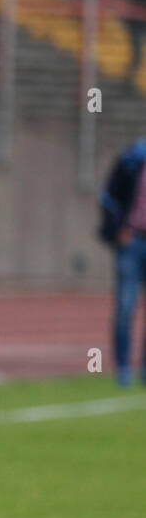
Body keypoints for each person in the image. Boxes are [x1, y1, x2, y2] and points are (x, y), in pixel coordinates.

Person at [97, 136, 146, 387]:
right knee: (126, 306)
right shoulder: (132, 158)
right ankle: (123, 368)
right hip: (132, 241)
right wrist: (117, 230)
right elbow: (107, 197)